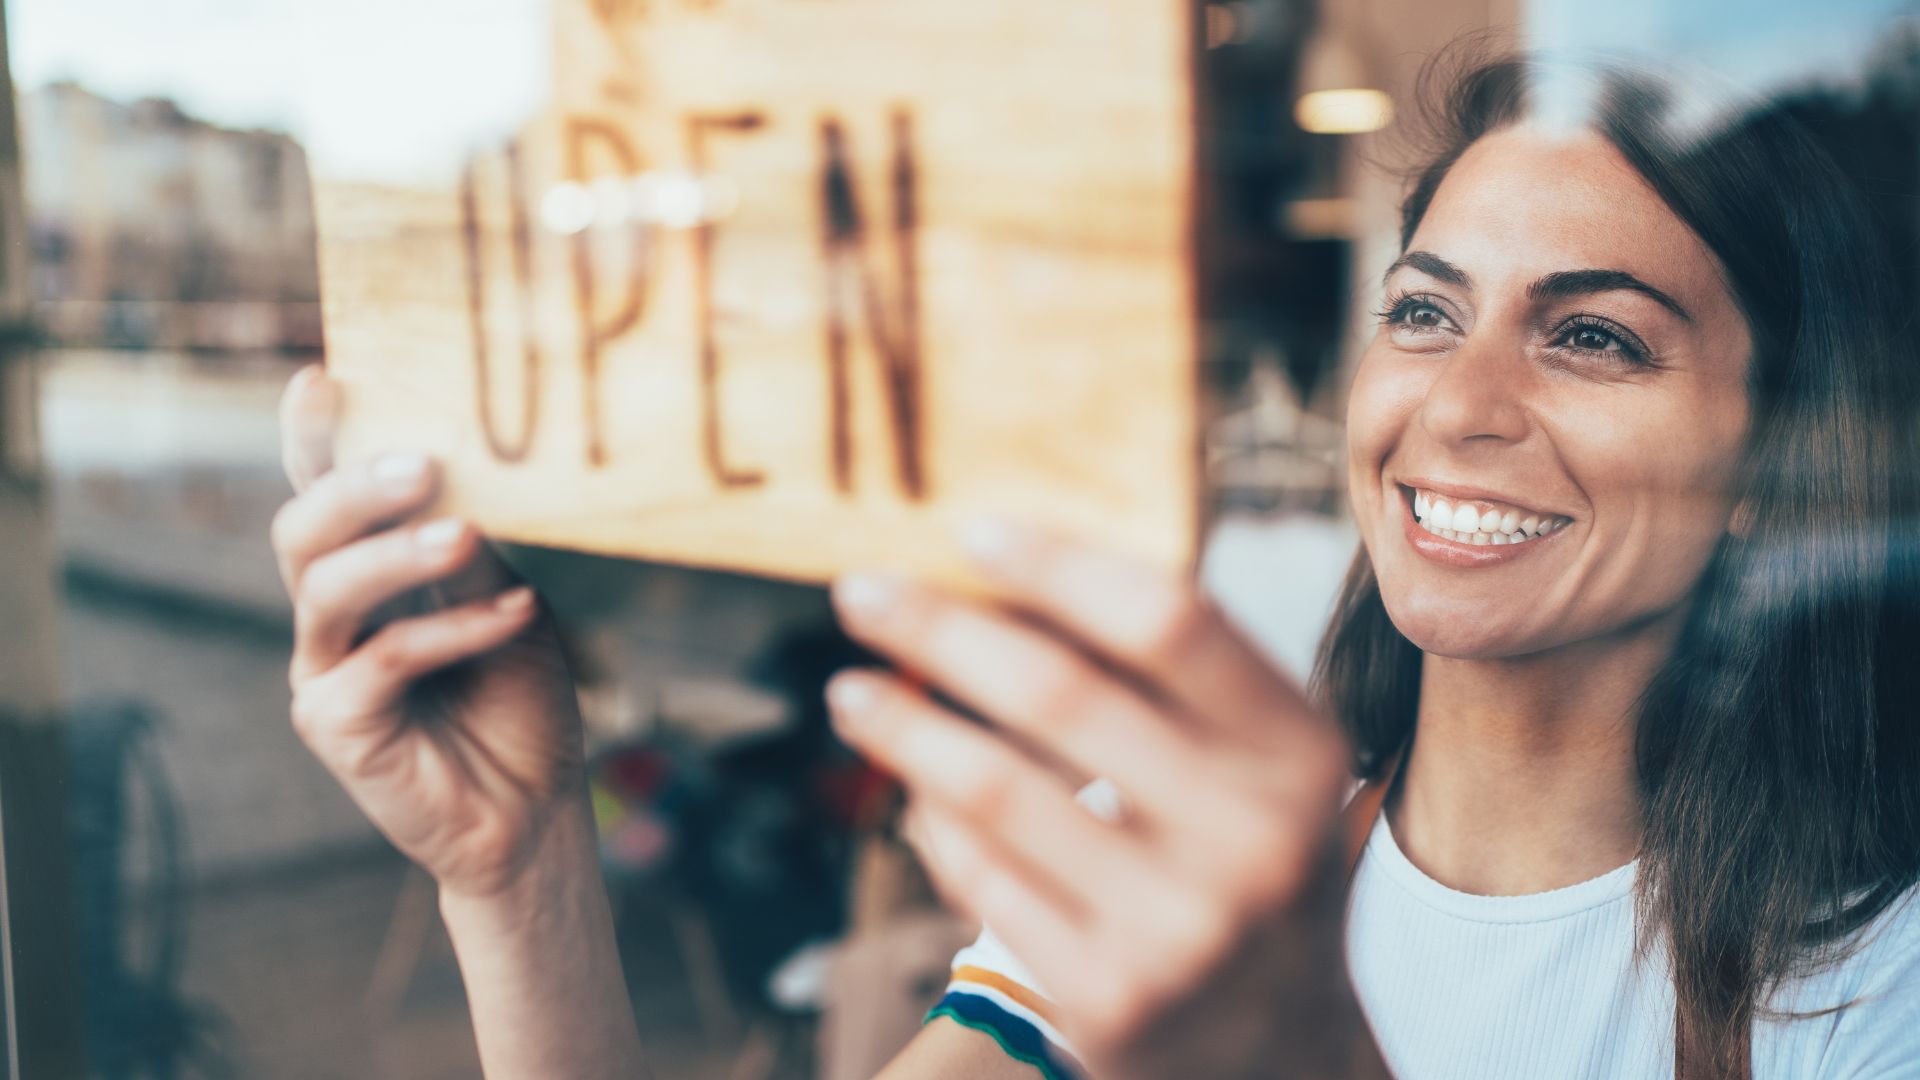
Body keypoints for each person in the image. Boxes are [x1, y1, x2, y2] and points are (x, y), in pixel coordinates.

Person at [269, 52, 1920, 1079]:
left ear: (1778, 456)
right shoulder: (1160, 880)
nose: (1457, 408)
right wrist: (523, 874)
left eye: (1592, 337)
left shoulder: (1873, 992)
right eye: (1424, 311)